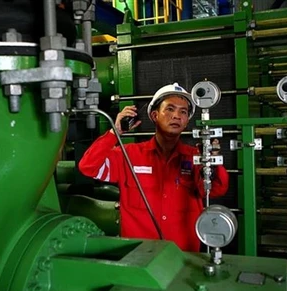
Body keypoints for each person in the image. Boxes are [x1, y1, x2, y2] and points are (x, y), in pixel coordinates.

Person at [78, 83, 229, 252]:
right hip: (138, 256)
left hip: (183, 256)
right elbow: (88, 167)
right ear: (154, 115)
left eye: (183, 112)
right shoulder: (128, 155)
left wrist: (214, 161)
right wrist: (115, 132)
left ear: (186, 122)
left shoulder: (196, 158)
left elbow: (216, 190)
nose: (177, 116)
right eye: (170, 109)